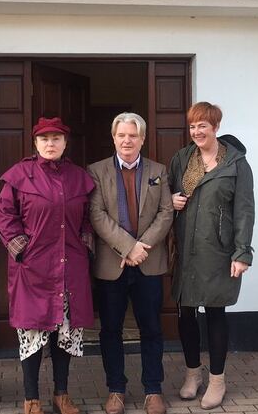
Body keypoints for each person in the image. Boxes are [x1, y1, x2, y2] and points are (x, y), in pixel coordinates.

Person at [0, 117, 96, 414]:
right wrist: (22, 249)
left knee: (64, 333)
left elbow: (89, 217)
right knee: (32, 334)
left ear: (65, 143)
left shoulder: (79, 177)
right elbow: (4, 215)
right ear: (35, 143)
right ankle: (31, 399)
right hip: (33, 270)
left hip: (70, 268)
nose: (50, 144)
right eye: (44, 139)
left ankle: (61, 395)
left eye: (56, 138)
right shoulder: (19, 175)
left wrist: (85, 245)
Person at [168, 102, 255, 409]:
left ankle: (217, 380)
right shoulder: (182, 158)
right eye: (192, 126)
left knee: (216, 312)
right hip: (186, 249)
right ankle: (193, 374)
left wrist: (242, 252)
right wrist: (171, 199)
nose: (196, 132)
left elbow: (244, 210)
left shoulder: (236, 163)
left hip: (218, 250)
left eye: (202, 126)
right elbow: (164, 194)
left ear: (216, 127)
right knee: (186, 313)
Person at [88, 112, 174, 414]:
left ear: (142, 139)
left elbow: (166, 212)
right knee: (110, 329)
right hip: (112, 265)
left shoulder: (158, 171)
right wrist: (128, 247)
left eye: (133, 136)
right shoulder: (96, 171)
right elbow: (96, 214)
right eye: (121, 135)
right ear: (114, 138)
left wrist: (141, 248)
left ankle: (153, 390)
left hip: (148, 262)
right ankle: (116, 389)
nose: (127, 141)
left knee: (151, 328)